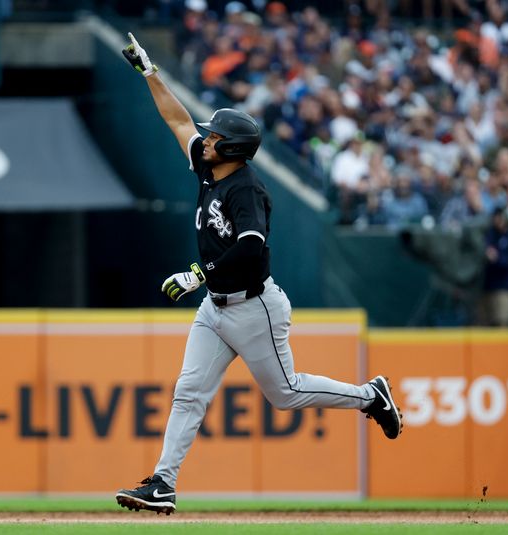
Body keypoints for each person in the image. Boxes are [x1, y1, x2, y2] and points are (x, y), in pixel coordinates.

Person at [115, 33, 403, 516]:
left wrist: (197, 274)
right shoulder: (210, 168)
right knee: (189, 392)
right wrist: (150, 73)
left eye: (212, 137)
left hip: (254, 307)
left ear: (230, 148)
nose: (203, 139)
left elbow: (251, 249)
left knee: (286, 394)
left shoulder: (246, 190)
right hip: (217, 307)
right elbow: (176, 118)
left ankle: (369, 395)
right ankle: (163, 482)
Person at [479, 208, 508, 327]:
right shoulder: (490, 235)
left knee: (501, 325)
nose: (498, 220)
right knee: (482, 326)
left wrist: (496, 258)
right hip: (486, 287)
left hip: (502, 289)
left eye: (500, 217)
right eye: (496, 217)